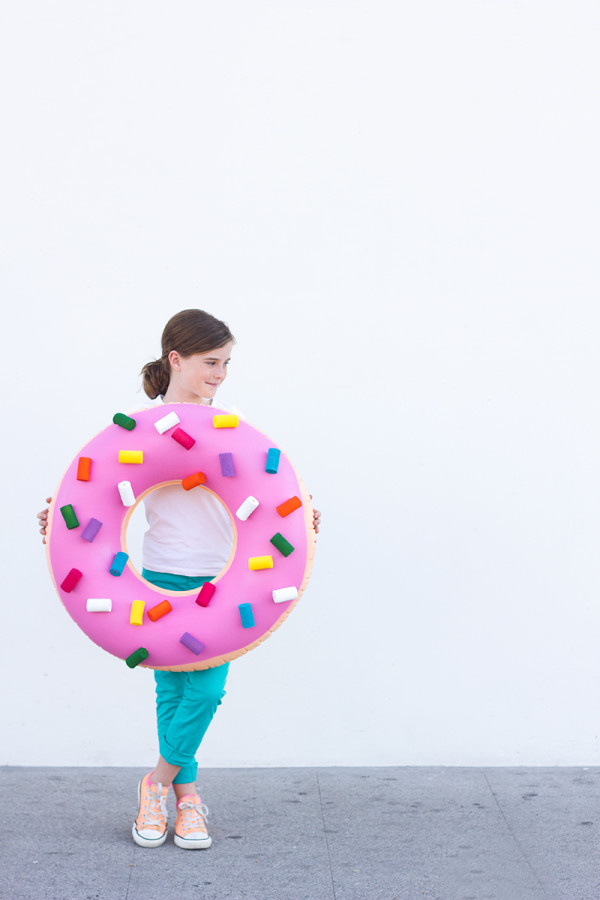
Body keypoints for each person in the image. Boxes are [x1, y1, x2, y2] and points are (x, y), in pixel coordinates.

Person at [37, 309, 321, 850]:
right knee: (171, 691)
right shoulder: (133, 427)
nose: (221, 373)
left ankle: (156, 784)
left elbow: (277, 502)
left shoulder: (232, 425)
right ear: (176, 359)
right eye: (211, 362)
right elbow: (87, 500)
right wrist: (57, 524)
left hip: (229, 577)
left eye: (227, 363)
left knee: (207, 690)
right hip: (159, 573)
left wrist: (303, 522)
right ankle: (188, 803)